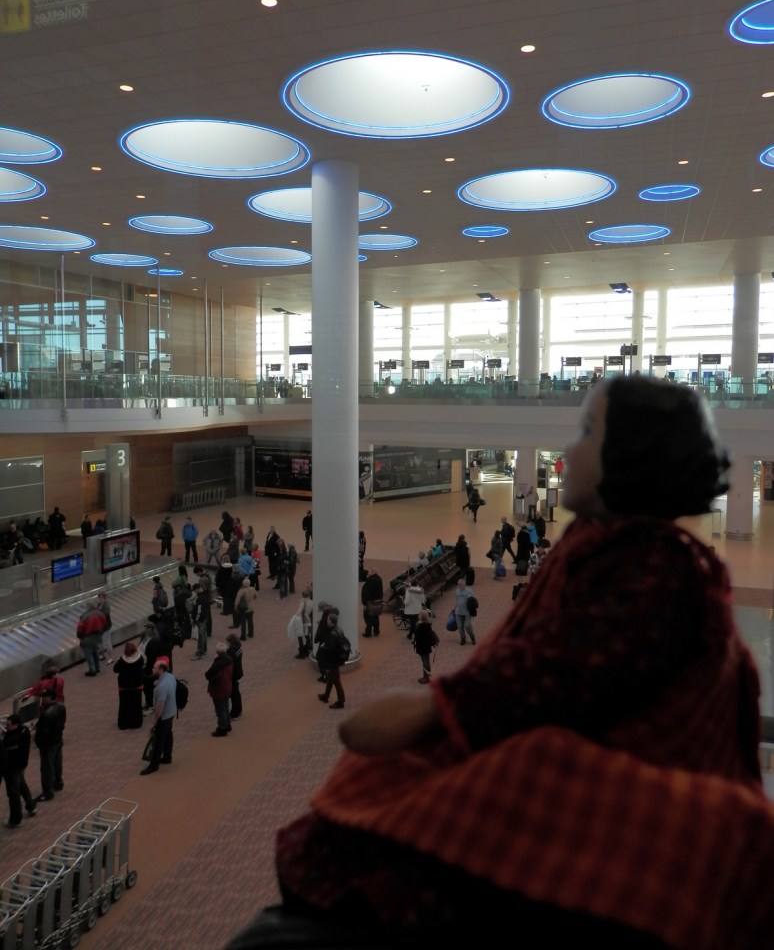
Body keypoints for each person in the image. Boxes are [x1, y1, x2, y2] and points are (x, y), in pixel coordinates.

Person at [246, 375, 768, 949]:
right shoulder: (621, 553)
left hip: (625, 814)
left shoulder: (654, 575)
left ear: (633, 455)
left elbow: (554, 674)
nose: (567, 451)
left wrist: (433, 707)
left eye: (587, 432)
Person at [140, 657, 176, 774]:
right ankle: (167, 756)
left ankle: (153, 765)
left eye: (155, 668)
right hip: (171, 712)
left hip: (164, 716)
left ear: (160, 670)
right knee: (168, 734)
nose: (152, 669)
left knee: (159, 739)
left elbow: (160, 705)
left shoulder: (161, 687)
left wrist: (155, 719)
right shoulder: (170, 677)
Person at [1, 713, 37, 827]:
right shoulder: (24, 731)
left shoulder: (12, 739)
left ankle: (15, 819)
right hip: (21, 765)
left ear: (16, 725)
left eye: (8, 725)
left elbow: (5, 752)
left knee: (13, 794)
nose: (6, 727)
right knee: (22, 785)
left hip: (12, 769)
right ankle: (31, 805)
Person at [34, 687, 66, 800]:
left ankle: (48, 792)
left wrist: (38, 742)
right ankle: (58, 783)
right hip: (58, 739)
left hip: (48, 744)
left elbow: (43, 732)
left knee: (47, 768)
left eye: (44, 697)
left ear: (50, 697)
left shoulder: (47, 714)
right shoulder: (61, 707)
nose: (43, 699)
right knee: (57, 763)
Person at [316, 609, 348, 710]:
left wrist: (323, 647)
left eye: (328, 620)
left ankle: (340, 702)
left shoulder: (333, 633)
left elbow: (331, 649)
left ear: (331, 621)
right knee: (331, 677)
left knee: (336, 681)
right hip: (336, 659)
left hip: (333, 660)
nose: (327, 621)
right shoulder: (338, 629)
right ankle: (326, 695)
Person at [113, 641, 145, 729]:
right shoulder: (140, 659)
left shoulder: (122, 660)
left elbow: (115, 669)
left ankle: (124, 723)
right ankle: (136, 723)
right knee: (136, 704)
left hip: (124, 686)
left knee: (124, 705)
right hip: (137, 686)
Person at [205, 641, 233, 737]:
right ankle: (228, 724)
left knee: (220, 709)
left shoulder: (218, 664)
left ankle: (222, 728)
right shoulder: (229, 659)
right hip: (227, 687)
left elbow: (209, 675)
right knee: (225, 707)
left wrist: (215, 662)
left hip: (219, 689)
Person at [77, 599, 108, 676]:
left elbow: (80, 628)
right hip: (97, 637)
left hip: (87, 638)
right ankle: (97, 667)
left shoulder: (84, 616)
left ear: (88, 607)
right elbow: (105, 625)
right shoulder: (100, 613)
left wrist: (80, 636)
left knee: (89, 654)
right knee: (95, 651)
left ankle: (92, 670)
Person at [413, 607, 439, 684]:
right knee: (425, 661)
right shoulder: (428, 625)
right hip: (425, 647)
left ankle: (426, 677)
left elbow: (417, 635)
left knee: (425, 662)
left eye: (419, 615)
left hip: (422, 647)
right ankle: (426, 676)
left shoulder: (421, 626)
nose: (418, 616)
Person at [288, 588, 313, 658]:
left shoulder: (303, 602)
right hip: (308, 620)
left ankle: (301, 653)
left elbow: (299, 612)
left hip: (302, 621)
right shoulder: (311, 602)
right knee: (307, 636)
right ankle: (307, 650)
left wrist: (294, 617)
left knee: (299, 636)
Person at [361, 568, 384, 638]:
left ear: (372, 573)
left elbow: (366, 593)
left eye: (369, 573)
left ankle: (368, 632)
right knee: (376, 617)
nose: (367, 574)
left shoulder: (370, 581)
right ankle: (376, 631)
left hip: (370, 603)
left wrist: (364, 603)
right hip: (378, 602)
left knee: (367, 618)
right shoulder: (379, 579)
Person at [190, 583, 211, 660]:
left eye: (195, 590)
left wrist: (195, 619)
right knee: (203, 634)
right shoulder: (204, 596)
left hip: (200, 619)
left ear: (198, 589)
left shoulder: (199, 598)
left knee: (201, 635)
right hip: (204, 618)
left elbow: (199, 610)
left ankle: (200, 651)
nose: (194, 592)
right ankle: (204, 649)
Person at [401, 575, 425, 640]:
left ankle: (416, 636)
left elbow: (407, 602)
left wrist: (404, 601)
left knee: (413, 624)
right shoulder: (420, 589)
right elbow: (423, 600)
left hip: (411, 610)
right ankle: (410, 635)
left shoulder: (408, 591)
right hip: (418, 609)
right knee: (415, 623)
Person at [226, 633, 244, 720]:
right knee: (236, 692)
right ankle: (239, 709)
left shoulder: (231, 652)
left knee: (233, 694)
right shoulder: (238, 649)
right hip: (238, 673)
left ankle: (235, 712)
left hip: (232, 674)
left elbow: (228, 662)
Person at [454, 576, 476, 646]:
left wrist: (471, 602)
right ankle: (463, 639)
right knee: (460, 627)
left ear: (464, 584)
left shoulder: (469, 591)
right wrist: (454, 608)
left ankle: (472, 637)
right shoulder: (457, 591)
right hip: (458, 612)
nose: (458, 585)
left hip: (467, 613)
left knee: (467, 626)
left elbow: (475, 600)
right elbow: (457, 601)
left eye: (460, 584)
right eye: (458, 584)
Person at [96, 589, 113, 664]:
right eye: (99, 598)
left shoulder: (106, 606)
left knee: (107, 642)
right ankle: (102, 655)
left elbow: (104, 615)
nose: (99, 599)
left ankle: (111, 658)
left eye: (101, 598)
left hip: (106, 627)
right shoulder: (99, 604)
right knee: (100, 642)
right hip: (100, 627)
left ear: (104, 598)